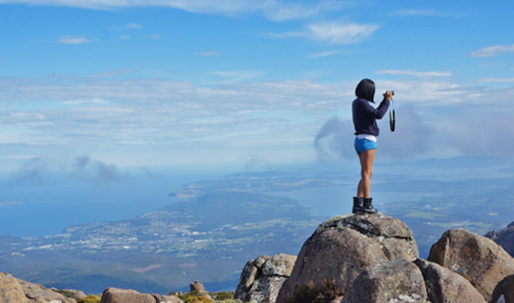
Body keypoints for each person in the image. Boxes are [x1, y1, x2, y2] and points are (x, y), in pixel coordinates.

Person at [351, 78, 393, 214]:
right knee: (367, 174)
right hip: (367, 140)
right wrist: (387, 100)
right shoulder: (362, 103)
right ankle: (367, 205)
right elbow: (379, 114)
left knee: (365, 173)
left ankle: (358, 204)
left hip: (359, 140)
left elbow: (374, 113)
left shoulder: (357, 103)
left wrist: (384, 101)